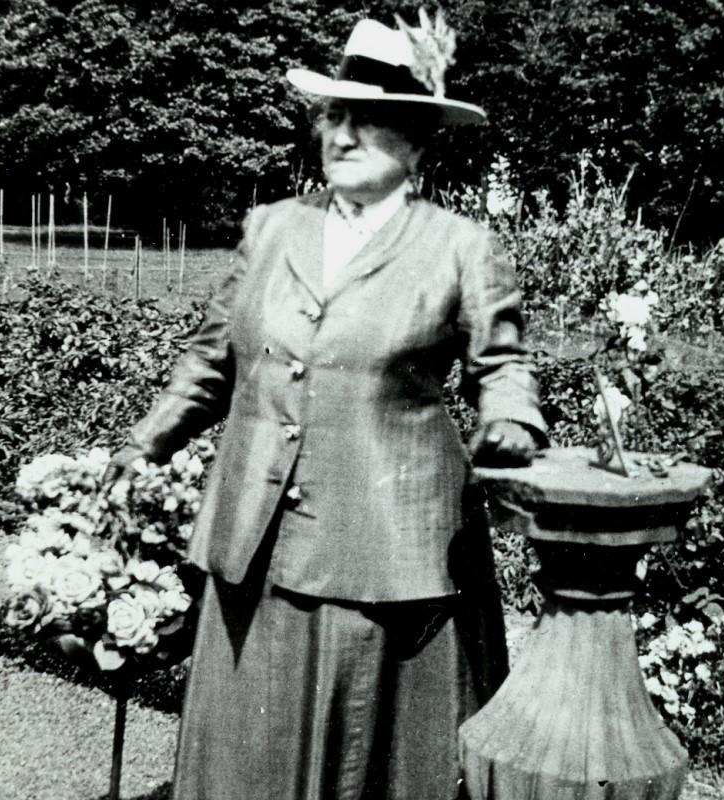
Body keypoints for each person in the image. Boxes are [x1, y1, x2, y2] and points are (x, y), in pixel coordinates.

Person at [103, 14, 547, 799]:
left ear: (415, 142)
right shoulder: (272, 228)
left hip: (383, 555)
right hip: (256, 546)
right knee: (251, 757)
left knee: (363, 764)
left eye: (367, 119)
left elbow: (501, 364)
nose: (342, 136)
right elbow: (213, 357)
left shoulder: (457, 247)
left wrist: (509, 423)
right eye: (333, 116)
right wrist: (146, 444)